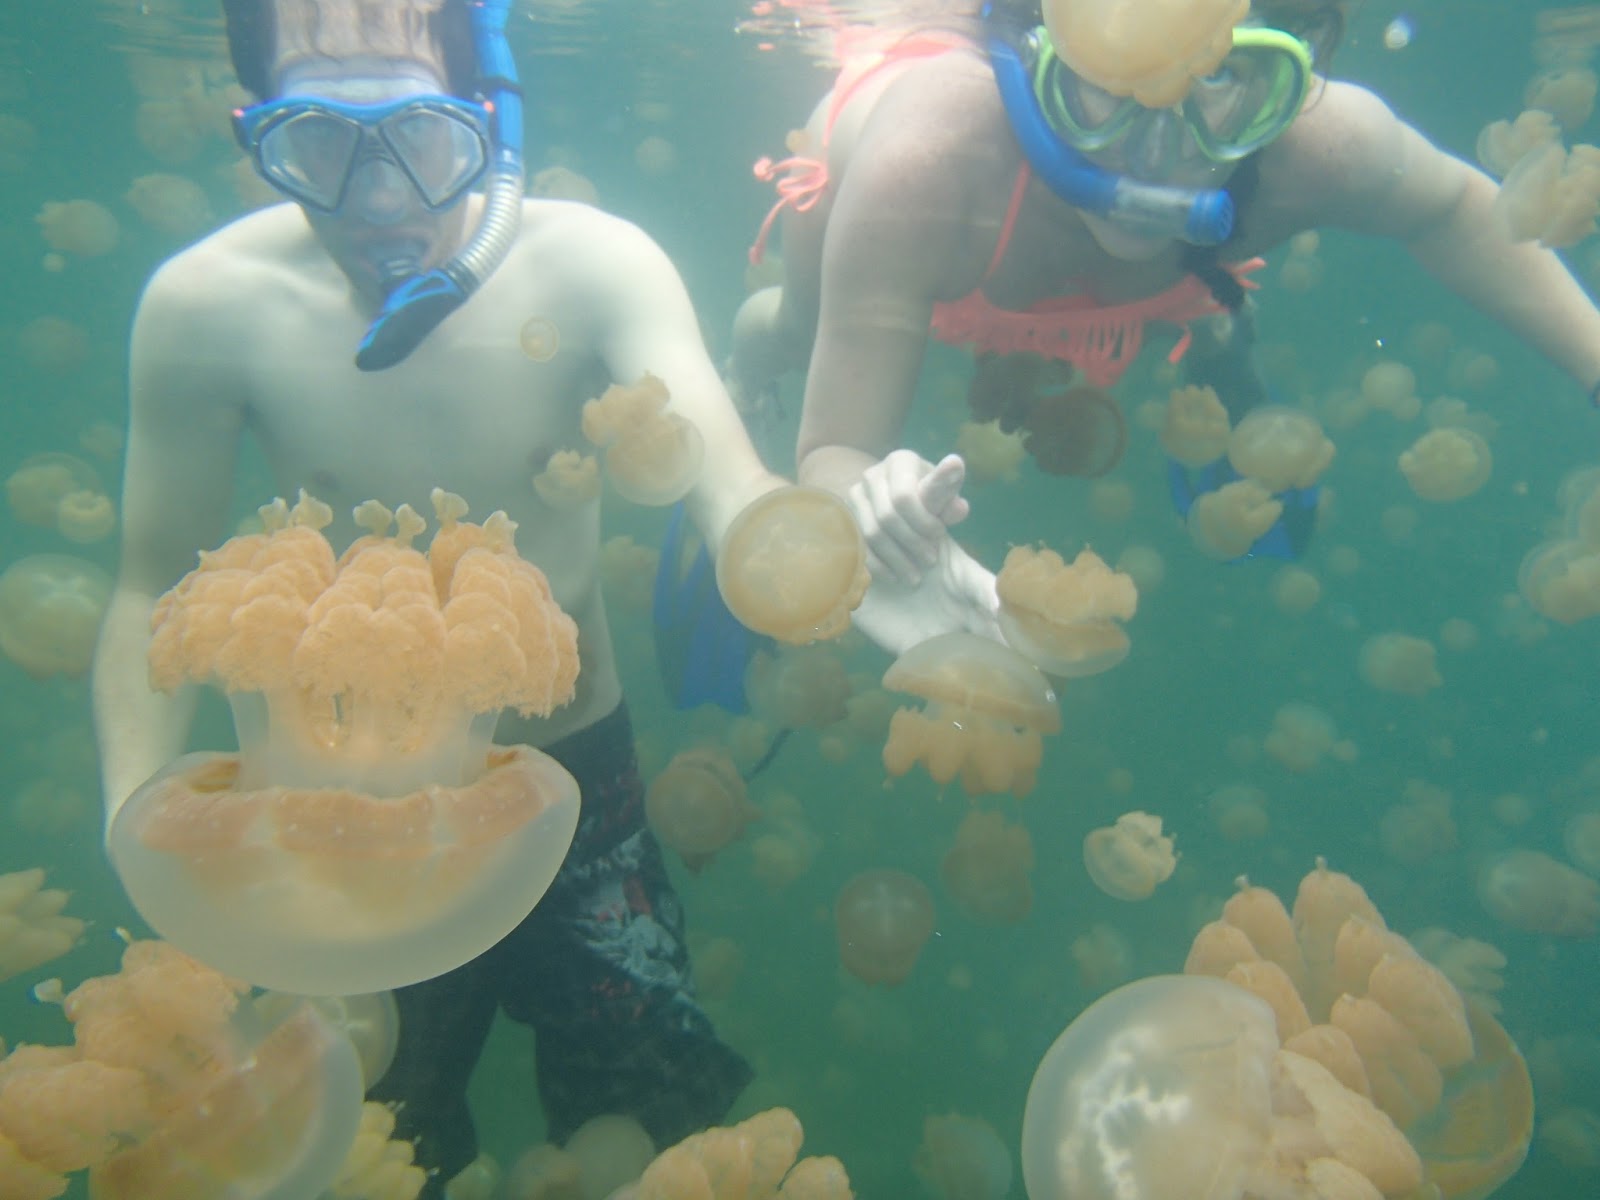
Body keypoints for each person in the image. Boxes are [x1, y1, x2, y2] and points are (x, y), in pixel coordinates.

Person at [90, 0, 992, 1191]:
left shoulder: (593, 265)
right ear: (247, 130)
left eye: (420, 138)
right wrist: (140, 831)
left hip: (584, 780)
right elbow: (152, 583)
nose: (376, 199)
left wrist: (844, 564)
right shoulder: (207, 310)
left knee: (654, 1116)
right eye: (317, 141)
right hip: (338, 820)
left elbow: (728, 488)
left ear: (487, 117)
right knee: (374, 1140)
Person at [730, 0, 1600, 576]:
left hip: (1161, 284)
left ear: (1286, 79)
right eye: (1104, 89)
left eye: (1217, 79)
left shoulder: (1321, 146)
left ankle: (1217, 334)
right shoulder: (930, 162)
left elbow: (1456, 210)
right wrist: (869, 502)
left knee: (1168, 283)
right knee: (803, 329)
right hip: (930, 237)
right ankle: (748, 362)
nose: (1159, 152)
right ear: (1029, 60)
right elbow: (837, 448)